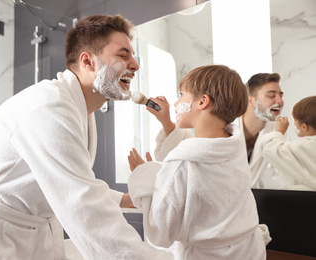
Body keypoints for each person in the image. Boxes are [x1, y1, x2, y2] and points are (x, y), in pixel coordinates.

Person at [0, 14, 158, 260]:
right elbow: (84, 205)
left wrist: (122, 199)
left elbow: (71, 182)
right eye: (123, 55)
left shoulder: (77, 108)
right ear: (88, 61)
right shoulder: (50, 107)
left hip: (30, 234)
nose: (135, 65)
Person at [127, 65, 271, 259]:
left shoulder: (181, 164)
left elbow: (161, 232)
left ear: (203, 101)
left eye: (181, 95)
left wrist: (146, 178)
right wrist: (168, 123)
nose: (177, 103)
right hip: (248, 252)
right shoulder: (233, 146)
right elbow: (201, 152)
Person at [147, 72, 286, 188]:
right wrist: (166, 121)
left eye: (281, 95)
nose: (279, 101)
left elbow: (286, 169)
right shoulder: (221, 125)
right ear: (251, 100)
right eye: (271, 95)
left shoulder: (276, 132)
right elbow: (195, 154)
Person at [257, 96, 316, 190]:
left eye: (295, 121)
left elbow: (268, 148)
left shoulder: (304, 146)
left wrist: (279, 131)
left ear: (304, 127)